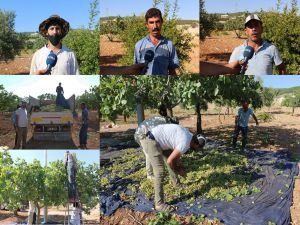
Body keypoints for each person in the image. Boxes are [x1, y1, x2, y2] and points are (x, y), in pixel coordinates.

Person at [139, 124, 206, 212]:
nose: (198, 150)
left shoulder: (189, 136)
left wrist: (180, 166)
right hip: (152, 142)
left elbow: (175, 157)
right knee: (160, 172)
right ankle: (159, 204)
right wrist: (178, 170)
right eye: (199, 148)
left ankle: (176, 184)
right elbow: (170, 161)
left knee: (172, 160)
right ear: (196, 144)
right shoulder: (185, 143)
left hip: (159, 139)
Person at [134, 105, 178, 180]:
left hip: (148, 133)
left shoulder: (164, 121)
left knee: (157, 151)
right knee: (149, 154)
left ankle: (156, 171)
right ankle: (150, 175)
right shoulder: (164, 124)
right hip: (141, 135)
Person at [134, 8, 180, 75]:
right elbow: (135, 71)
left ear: (162, 22)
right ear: (146, 25)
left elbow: (173, 71)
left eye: (157, 22)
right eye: (151, 22)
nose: (155, 26)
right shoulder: (139, 45)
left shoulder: (169, 45)